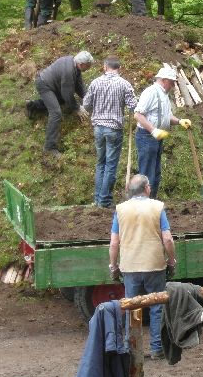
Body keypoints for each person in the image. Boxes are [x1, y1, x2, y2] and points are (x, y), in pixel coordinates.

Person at [108, 174, 176, 360]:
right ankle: (156, 348)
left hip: (130, 266)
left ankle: (133, 350)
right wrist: (171, 260)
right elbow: (168, 239)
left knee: (132, 307)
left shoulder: (120, 210)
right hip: (154, 265)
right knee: (156, 308)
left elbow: (114, 243)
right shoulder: (157, 207)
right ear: (147, 188)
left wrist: (113, 266)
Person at [82, 56, 138, 208]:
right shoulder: (124, 84)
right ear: (119, 68)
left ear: (105, 67)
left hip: (98, 128)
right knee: (111, 165)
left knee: (101, 163)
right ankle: (105, 200)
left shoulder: (95, 82)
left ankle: (97, 199)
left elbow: (86, 105)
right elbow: (134, 105)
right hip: (114, 129)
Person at [133, 66, 191, 198]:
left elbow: (166, 116)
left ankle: (151, 201)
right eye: (172, 82)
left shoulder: (164, 95)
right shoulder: (150, 92)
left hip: (157, 138)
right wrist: (153, 130)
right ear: (164, 80)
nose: (173, 85)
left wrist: (180, 121)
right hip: (146, 137)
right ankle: (143, 203)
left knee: (155, 173)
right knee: (147, 174)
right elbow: (138, 115)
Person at [26, 51, 93, 158]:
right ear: (81, 64)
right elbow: (67, 95)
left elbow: (78, 85)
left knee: (61, 101)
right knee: (56, 113)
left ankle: (33, 105)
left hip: (53, 85)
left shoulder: (74, 63)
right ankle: (49, 147)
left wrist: (88, 98)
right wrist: (77, 108)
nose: (89, 68)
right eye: (88, 66)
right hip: (44, 85)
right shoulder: (69, 71)